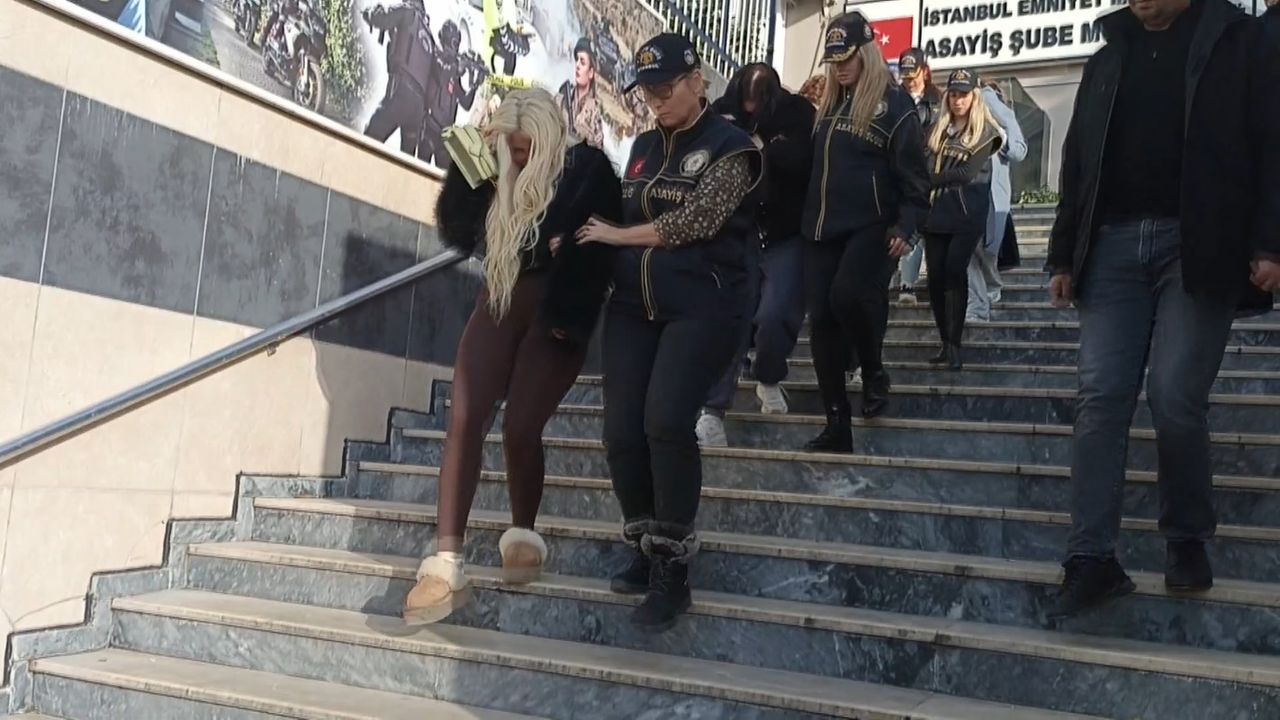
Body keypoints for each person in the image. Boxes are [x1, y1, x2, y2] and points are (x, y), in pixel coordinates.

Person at [1045, 0, 1280, 620]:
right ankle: (1091, 557)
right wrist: (1063, 253)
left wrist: (1269, 241)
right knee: (1100, 395)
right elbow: (1078, 161)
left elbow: (1271, 143)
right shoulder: (1106, 58)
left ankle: (1186, 538)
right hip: (1112, 246)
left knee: (1175, 393)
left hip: (1198, 245)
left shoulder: (1238, 43)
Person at [403, 88, 622, 624]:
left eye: (527, 150)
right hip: (500, 297)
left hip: (557, 310)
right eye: (512, 149)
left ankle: (523, 533)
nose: (519, 158)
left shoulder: (586, 168)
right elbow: (459, 231)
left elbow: (591, 247)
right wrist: (469, 170)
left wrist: (557, 249)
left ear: (548, 140)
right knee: (464, 416)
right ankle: (446, 562)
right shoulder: (497, 167)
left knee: (521, 427)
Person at [575, 33, 762, 632]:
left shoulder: (734, 148)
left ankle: (672, 571)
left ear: (696, 80)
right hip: (633, 305)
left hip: (702, 304)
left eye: (664, 90)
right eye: (647, 92)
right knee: (620, 433)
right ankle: (643, 545)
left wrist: (616, 236)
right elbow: (615, 211)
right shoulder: (641, 146)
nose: (655, 101)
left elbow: (697, 222)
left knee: (666, 422)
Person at [799, 12, 930, 453]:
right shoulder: (827, 105)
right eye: (834, 60)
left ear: (867, 53)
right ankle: (837, 424)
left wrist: (907, 225)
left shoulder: (895, 106)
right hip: (820, 227)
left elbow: (916, 177)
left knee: (846, 295)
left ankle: (872, 368)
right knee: (821, 319)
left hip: (871, 224)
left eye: (847, 58)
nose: (839, 67)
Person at [694, 64, 815, 447]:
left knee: (777, 312)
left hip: (785, 232)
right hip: (736, 233)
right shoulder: (719, 114)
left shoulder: (796, 114)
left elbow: (803, 161)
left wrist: (764, 147)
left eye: (757, 101)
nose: (750, 107)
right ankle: (712, 411)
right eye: (745, 99)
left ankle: (768, 375)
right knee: (730, 320)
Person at [921, 69, 1002, 372]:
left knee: (954, 271)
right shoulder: (937, 129)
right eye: (953, 94)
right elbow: (924, 162)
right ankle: (945, 342)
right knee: (935, 278)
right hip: (936, 212)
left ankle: (955, 344)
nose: (958, 100)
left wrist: (930, 179)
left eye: (963, 95)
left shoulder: (986, 132)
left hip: (968, 212)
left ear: (974, 96)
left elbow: (967, 173)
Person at [966, 81, 1027, 323]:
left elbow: (1018, 151)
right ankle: (978, 305)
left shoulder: (992, 104)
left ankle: (988, 292)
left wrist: (1002, 141)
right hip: (965, 193)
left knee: (985, 249)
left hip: (990, 195)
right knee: (971, 250)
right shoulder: (958, 111)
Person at [891, 48, 942, 307]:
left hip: (928, 170)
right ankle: (901, 282)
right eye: (905, 75)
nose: (909, 80)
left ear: (925, 71)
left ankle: (909, 283)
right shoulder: (894, 99)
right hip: (901, 171)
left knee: (921, 228)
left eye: (913, 75)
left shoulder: (938, 101)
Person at [361, 0, 435, 154]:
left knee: (368, 142)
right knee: (405, 160)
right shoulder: (430, 39)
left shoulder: (407, 12)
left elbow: (382, 18)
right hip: (418, 108)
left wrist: (369, 13)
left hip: (401, 92)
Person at [418, 20, 485, 166]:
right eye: (454, 43)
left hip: (445, 135)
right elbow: (442, 73)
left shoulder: (453, 72)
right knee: (419, 170)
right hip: (429, 127)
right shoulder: (435, 57)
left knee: (445, 176)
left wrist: (475, 85)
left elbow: (465, 103)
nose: (455, 48)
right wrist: (459, 66)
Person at [558, 37, 606, 149]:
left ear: (590, 72)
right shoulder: (564, 96)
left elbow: (597, 151)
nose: (577, 65)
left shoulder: (594, 112)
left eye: (583, 62)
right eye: (577, 60)